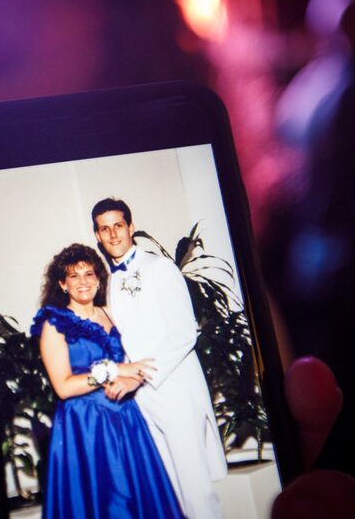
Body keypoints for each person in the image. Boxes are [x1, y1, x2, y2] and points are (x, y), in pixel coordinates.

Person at [91, 198, 227, 519]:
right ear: (97, 235)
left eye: (118, 225)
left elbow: (184, 333)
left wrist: (137, 375)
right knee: (168, 491)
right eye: (104, 228)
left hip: (176, 391)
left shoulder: (159, 268)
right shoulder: (105, 282)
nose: (112, 234)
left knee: (196, 490)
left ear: (131, 228)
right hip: (141, 401)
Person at [30, 243, 183, 518]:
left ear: (99, 279)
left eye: (89, 274)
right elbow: (63, 387)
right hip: (85, 424)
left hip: (126, 417)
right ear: (63, 284)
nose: (83, 282)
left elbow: (137, 361)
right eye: (74, 276)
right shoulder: (54, 324)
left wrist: (131, 377)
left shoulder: (112, 313)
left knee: (140, 500)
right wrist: (112, 372)